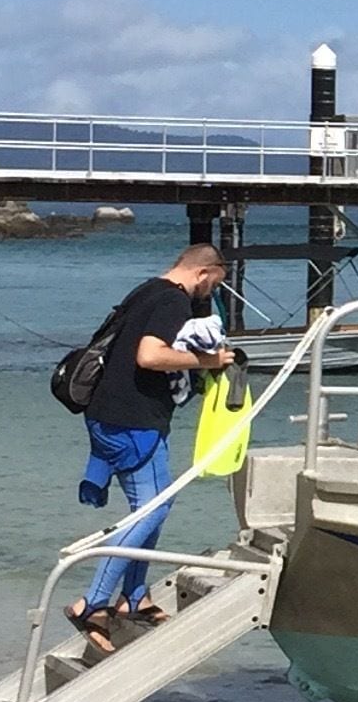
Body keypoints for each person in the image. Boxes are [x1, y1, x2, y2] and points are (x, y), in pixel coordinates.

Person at [69, 242, 234, 654]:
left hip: (113, 415)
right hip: (131, 421)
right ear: (204, 273)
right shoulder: (171, 301)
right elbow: (149, 355)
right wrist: (208, 361)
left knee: (153, 506)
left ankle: (135, 596)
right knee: (152, 509)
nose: (211, 294)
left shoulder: (145, 290)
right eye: (215, 285)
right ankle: (91, 604)